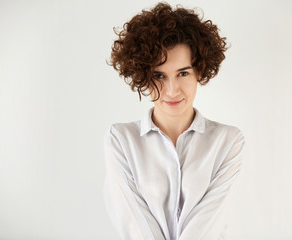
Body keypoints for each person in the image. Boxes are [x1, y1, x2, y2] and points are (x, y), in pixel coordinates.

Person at [103, 2, 245, 240]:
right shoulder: (120, 140)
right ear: (142, 77)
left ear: (199, 71)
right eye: (159, 76)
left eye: (183, 73)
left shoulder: (228, 142)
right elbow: (135, 225)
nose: (171, 90)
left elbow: (207, 227)